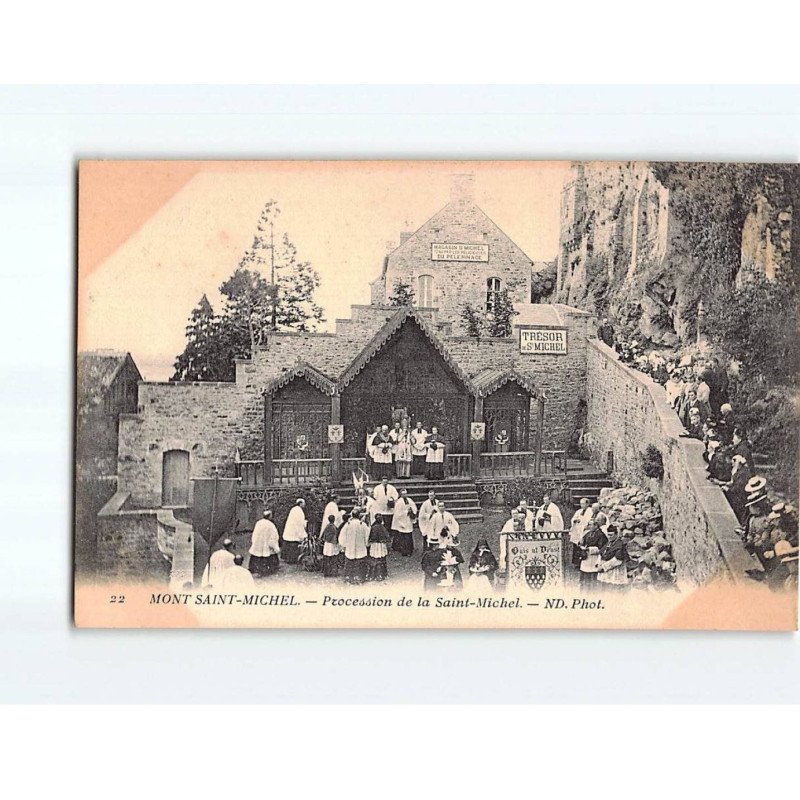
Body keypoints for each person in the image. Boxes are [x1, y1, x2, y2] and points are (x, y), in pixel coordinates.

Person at [338, 509, 370, 584]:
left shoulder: (347, 524)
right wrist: (367, 544)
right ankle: (360, 578)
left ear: (352, 515)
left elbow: (342, 536)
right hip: (360, 546)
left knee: (350, 561)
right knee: (360, 561)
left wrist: (344, 545)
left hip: (350, 547)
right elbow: (368, 536)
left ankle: (349, 578)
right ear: (359, 516)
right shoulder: (363, 525)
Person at [578, 517, 609, 592]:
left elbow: (602, 547)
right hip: (586, 557)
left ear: (596, 526)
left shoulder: (601, 535)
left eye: (591, 525)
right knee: (585, 575)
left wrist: (589, 549)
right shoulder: (588, 533)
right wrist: (581, 543)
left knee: (593, 576)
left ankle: (593, 591)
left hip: (594, 558)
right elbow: (582, 542)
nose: (589, 526)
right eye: (589, 525)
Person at [596, 526, 631, 592]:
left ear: (616, 534)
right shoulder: (608, 543)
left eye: (611, 535)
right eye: (608, 535)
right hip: (605, 570)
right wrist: (598, 564)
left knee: (613, 590)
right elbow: (601, 554)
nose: (609, 537)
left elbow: (617, 560)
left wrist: (603, 567)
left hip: (615, 570)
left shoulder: (620, 544)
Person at [248, 509, 280, 578]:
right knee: (268, 554)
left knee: (257, 553)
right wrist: (275, 547)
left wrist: (254, 542)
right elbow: (273, 537)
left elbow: (254, 534)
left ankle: (255, 568)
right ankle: (268, 570)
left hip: (258, 544)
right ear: (269, 516)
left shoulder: (258, 523)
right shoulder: (271, 525)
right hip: (266, 545)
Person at [391, 487, 418, 556]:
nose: (405, 495)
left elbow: (414, 507)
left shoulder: (409, 500)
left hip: (408, 520)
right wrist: (406, 512)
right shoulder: (399, 502)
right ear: (401, 495)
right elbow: (397, 513)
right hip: (402, 521)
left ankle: (409, 550)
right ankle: (404, 551)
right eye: (403, 494)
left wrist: (412, 511)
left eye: (405, 494)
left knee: (409, 535)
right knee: (403, 537)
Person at [498, 508, 526, 573]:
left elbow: (523, 531)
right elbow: (503, 533)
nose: (515, 515)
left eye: (516, 513)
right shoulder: (509, 523)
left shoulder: (521, 522)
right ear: (511, 515)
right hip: (509, 540)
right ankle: (505, 567)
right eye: (513, 514)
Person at [281, 498, 307, 564]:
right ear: (300, 503)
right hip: (294, 531)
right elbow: (300, 523)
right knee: (293, 544)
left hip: (290, 530)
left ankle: (288, 559)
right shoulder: (299, 511)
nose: (304, 505)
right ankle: (292, 560)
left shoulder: (293, 509)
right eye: (304, 503)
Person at [569, 497, 593, 568]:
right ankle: (577, 563)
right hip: (577, 530)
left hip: (585, 530)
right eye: (581, 504)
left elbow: (589, 521)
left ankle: (583, 562)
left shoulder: (590, 511)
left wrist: (582, 522)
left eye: (583, 504)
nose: (582, 505)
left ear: (587, 504)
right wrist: (575, 520)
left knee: (583, 546)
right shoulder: (579, 511)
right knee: (576, 546)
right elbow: (573, 518)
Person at [367, 514, 391, 582]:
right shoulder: (383, 528)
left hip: (374, 545)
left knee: (374, 559)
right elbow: (387, 537)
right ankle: (382, 574)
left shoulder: (373, 527)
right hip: (381, 545)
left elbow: (370, 537)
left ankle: (373, 575)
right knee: (382, 560)